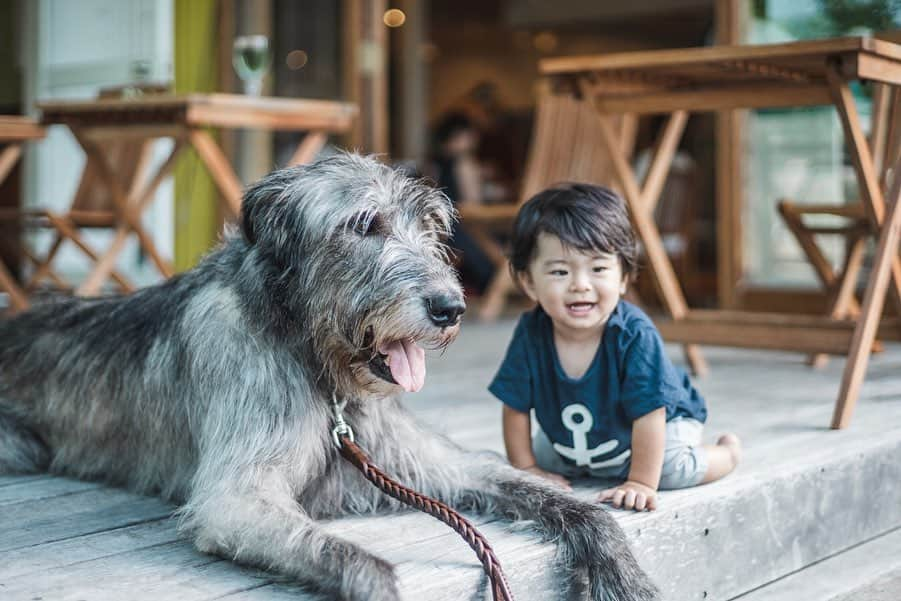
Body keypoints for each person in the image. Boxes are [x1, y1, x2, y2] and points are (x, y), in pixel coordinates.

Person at [488, 183, 741, 511]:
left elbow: (651, 413)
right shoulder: (531, 332)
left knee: (672, 469)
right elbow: (515, 407)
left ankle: (727, 453)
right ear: (529, 282)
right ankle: (596, 464)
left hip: (660, 423)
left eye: (598, 269)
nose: (581, 284)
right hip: (588, 433)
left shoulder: (634, 335)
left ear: (623, 277)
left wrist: (640, 482)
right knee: (545, 455)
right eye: (560, 271)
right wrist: (528, 470)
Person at [431, 112, 495, 294]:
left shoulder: (436, 164)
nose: (474, 138)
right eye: (469, 134)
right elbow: (473, 203)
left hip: (444, 228)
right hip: (465, 227)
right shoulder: (464, 163)